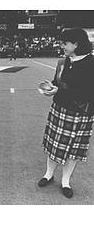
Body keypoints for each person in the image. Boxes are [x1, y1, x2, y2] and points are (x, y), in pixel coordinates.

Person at [38, 28, 94, 199]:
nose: (61, 46)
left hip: (81, 113)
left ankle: (66, 181)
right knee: (54, 145)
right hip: (60, 109)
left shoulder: (90, 63)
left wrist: (59, 91)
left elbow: (87, 94)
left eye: (65, 43)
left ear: (76, 44)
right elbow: (58, 83)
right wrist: (51, 87)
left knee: (74, 149)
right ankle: (49, 174)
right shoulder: (64, 61)